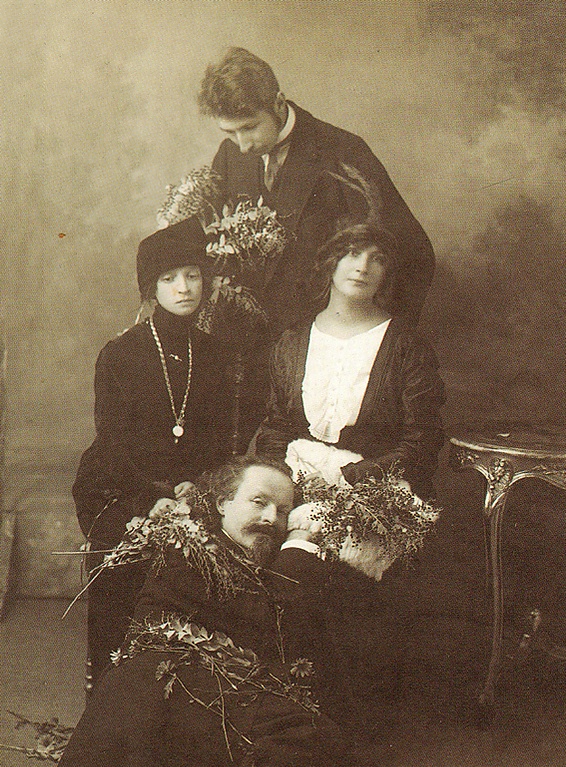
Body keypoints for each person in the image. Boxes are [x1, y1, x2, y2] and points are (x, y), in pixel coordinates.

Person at [51, 457, 384, 767]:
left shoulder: (254, 562)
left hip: (217, 693)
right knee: (303, 741)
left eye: (283, 511)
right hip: (166, 694)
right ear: (223, 503)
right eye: (258, 502)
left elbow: (291, 648)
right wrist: (297, 552)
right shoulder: (190, 547)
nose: (270, 518)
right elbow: (266, 623)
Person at [72, 216, 232, 683]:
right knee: (123, 559)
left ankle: (184, 690)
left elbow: (220, 438)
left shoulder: (216, 353)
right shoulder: (121, 353)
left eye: (192, 275)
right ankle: (110, 686)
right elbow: (113, 440)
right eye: (169, 278)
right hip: (122, 486)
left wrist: (197, 486)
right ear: (152, 289)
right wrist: (152, 496)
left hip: (194, 489)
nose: (184, 288)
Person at [198, 47, 435, 337]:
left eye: (250, 127)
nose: (242, 145)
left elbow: (414, 254)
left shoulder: (343, 151)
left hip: (323, 339)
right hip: (249, 341)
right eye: (230, 132)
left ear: (278, 103)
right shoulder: (229, 154)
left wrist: (378, 340)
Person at [255, 223, 446, 501]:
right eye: (353, 253)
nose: (363, 267)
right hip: (293, 487)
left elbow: (421, 443)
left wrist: (346, 478)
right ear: (331, 261)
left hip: (374, 494)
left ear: (386, 274)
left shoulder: (407, 346)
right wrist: (287, 482)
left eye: (377, 259)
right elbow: (276, 429)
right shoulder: (292, 342)